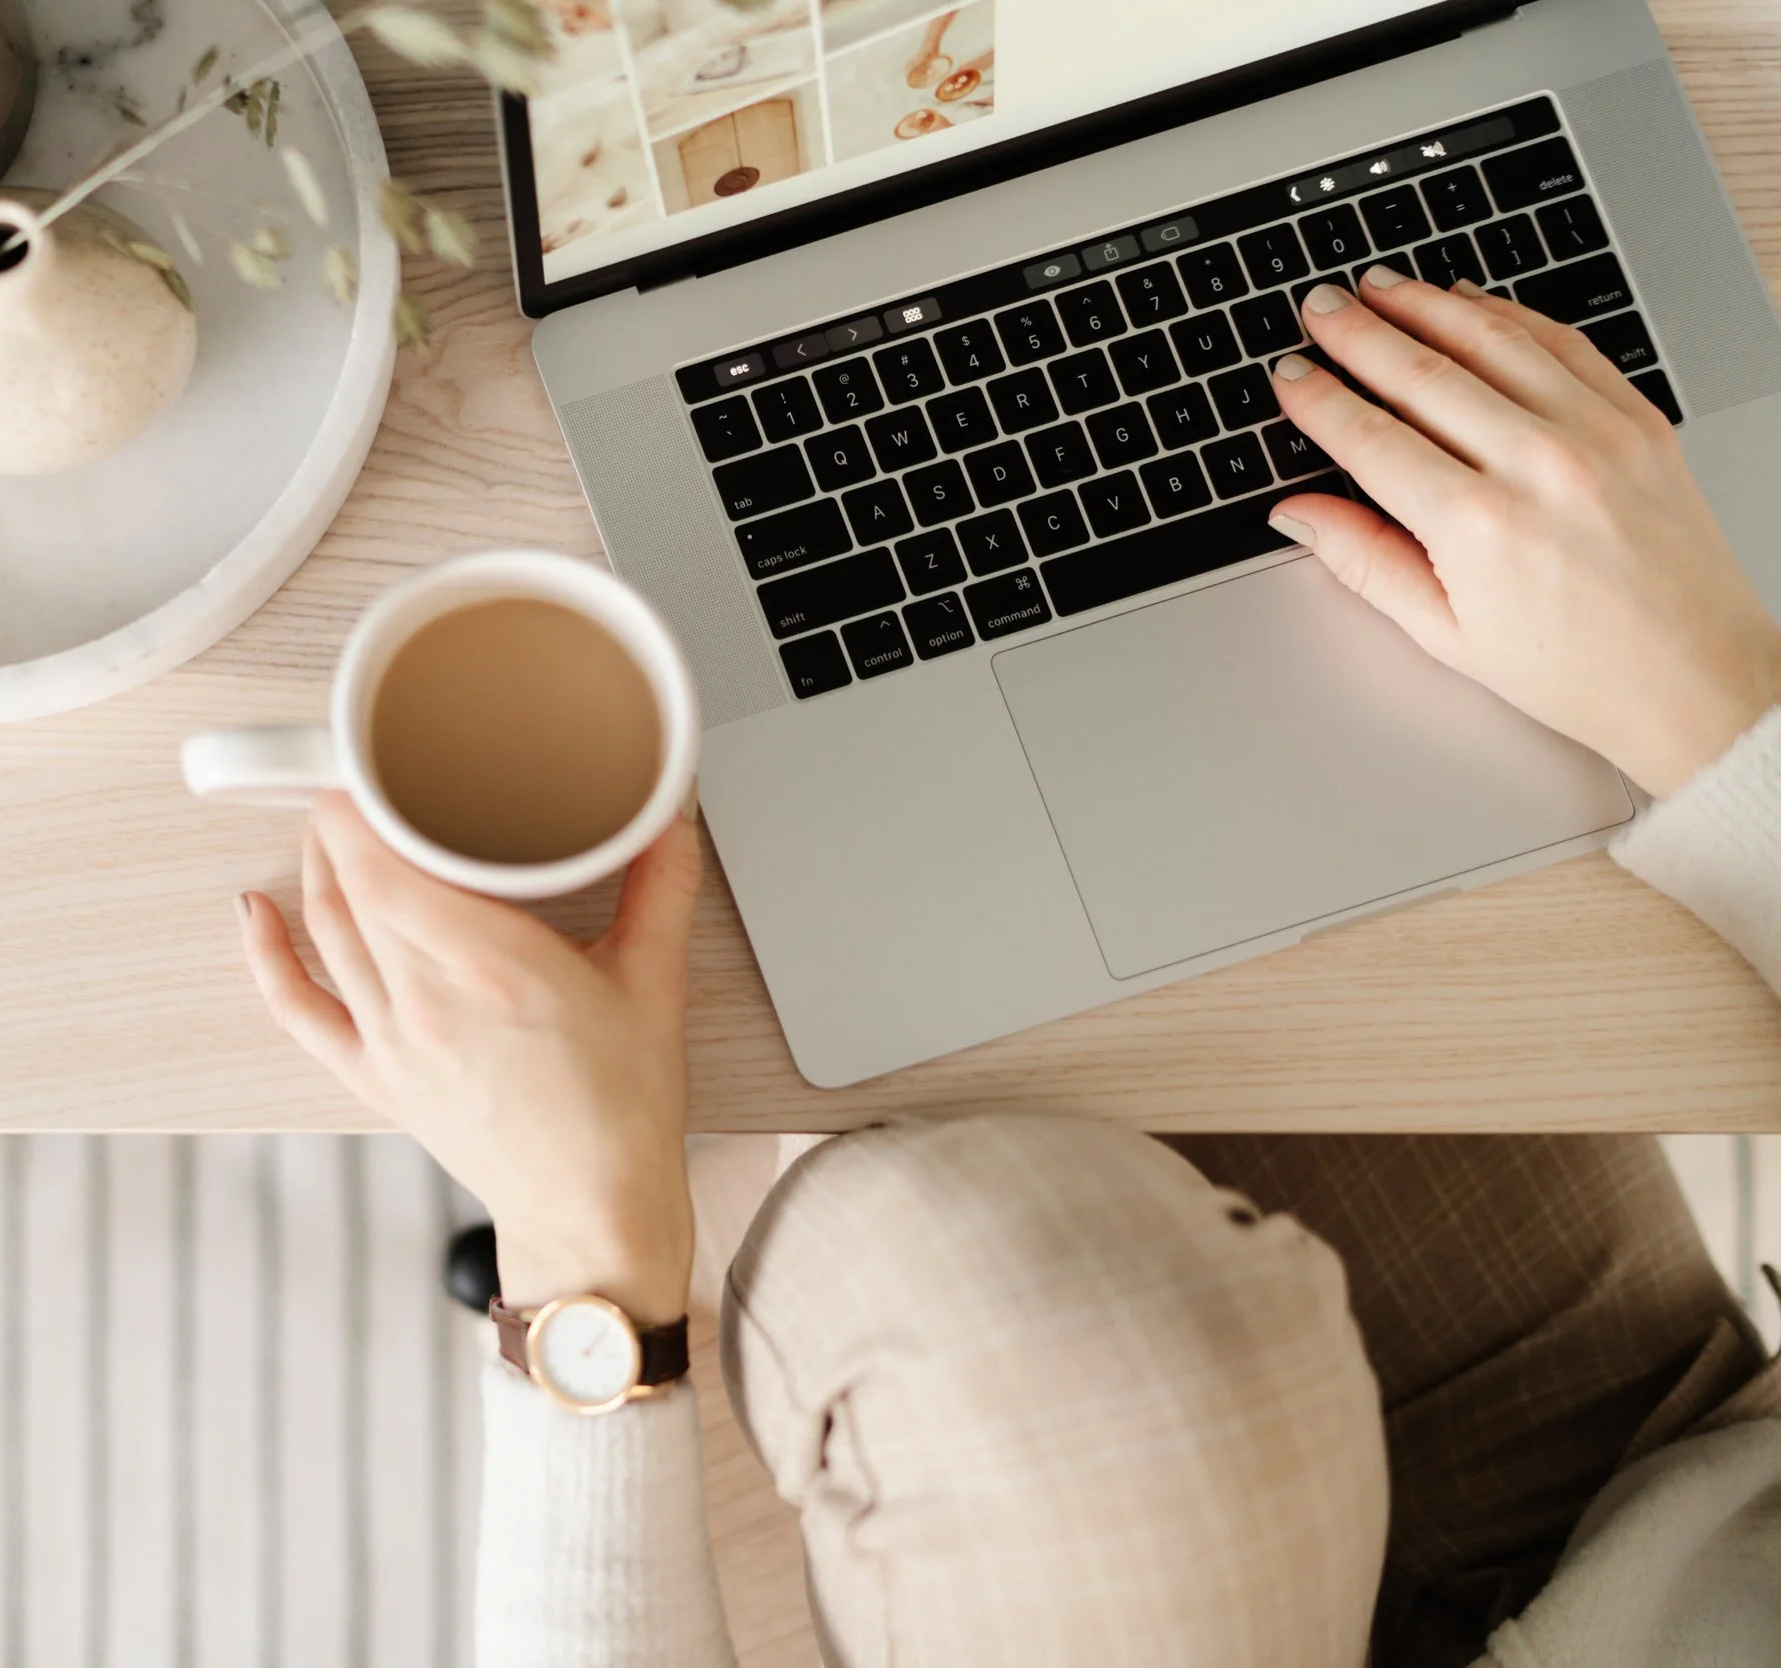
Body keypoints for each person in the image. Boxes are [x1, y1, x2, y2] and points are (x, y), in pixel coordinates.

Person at [235, 269, 1781, 1668]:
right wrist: (1718, 701)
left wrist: (584, 1266)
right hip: (1675, 1516)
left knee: (1050, 1342)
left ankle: (690, 1203)